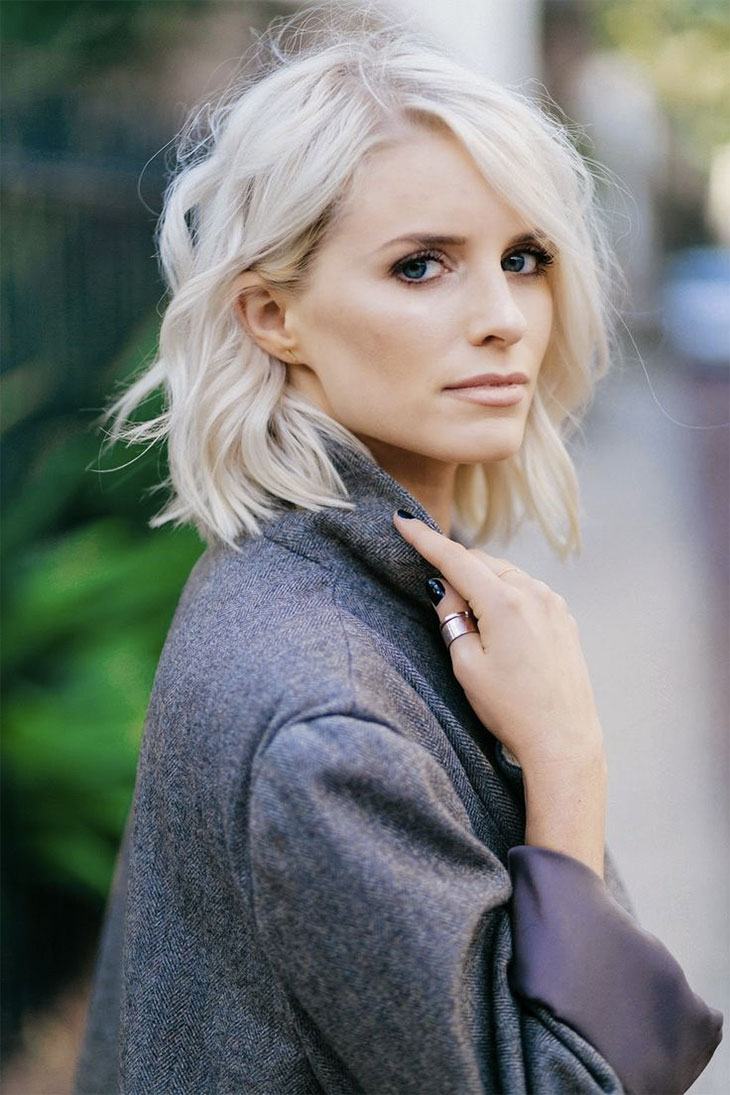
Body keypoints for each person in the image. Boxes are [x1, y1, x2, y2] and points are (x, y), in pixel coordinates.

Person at [73, 12, 723, 1094]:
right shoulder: (330, 727)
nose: (505, 317)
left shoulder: (305, 582)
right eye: (421, 266)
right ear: (271, 314)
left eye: (524, 258)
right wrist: (566, 761)